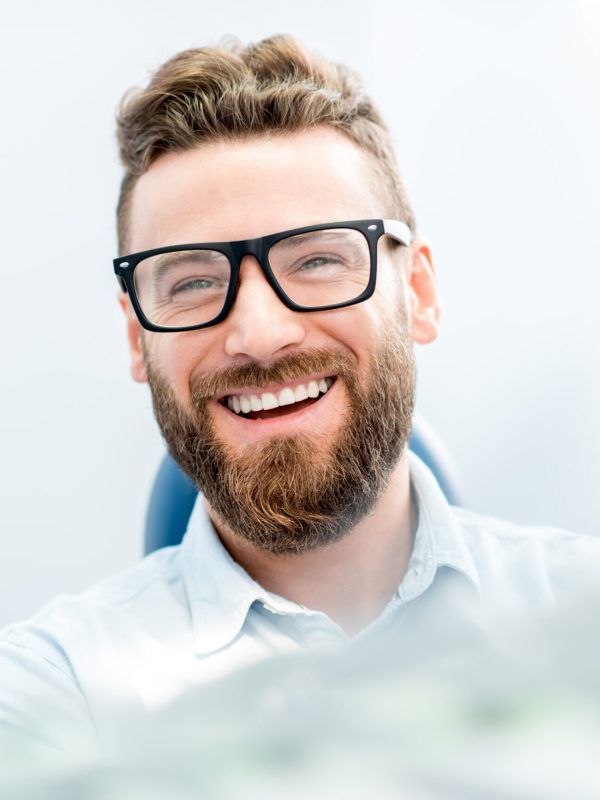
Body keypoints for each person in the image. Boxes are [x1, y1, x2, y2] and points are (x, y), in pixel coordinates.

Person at [1, 34, 598, 753]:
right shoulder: (55, 694)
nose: (258, 332)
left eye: (317, 259)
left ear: (419, 292)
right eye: (191, 282)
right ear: (137, 339)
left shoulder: (581, 623)